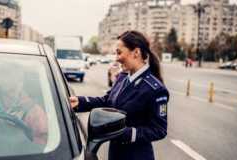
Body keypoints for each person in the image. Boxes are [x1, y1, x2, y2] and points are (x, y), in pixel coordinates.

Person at [70, 30, 169, 160]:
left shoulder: (155, 89)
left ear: (136, 53)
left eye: (119, 52)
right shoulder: (123, 77)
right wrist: (80, 102)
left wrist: (125, 133)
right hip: (115, 154)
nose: (116, 58)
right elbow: (107, 101)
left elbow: (159, 129)